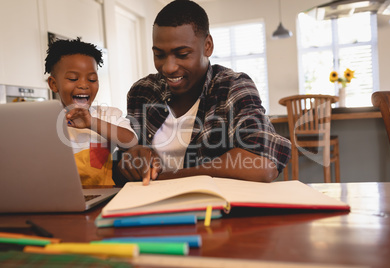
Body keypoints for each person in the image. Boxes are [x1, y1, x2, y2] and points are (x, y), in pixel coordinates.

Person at [117, 0, 291, 185]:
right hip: (149, 207)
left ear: (207, 45)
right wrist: (129, 161)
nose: (168, 67)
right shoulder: (142, 92)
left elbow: (263, 164)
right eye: (159, 55)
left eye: (182, 54)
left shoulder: (233, 86)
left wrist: (169, 178)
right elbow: (121, 165)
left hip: (214, 208)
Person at [45, 38, 138, 185]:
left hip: (102, 198)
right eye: (73, 78)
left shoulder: (107, 115)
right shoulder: (45, 121)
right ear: (54, 84)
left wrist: (92, 123)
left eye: (92, 79)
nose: (84, 85)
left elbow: (131, 142)